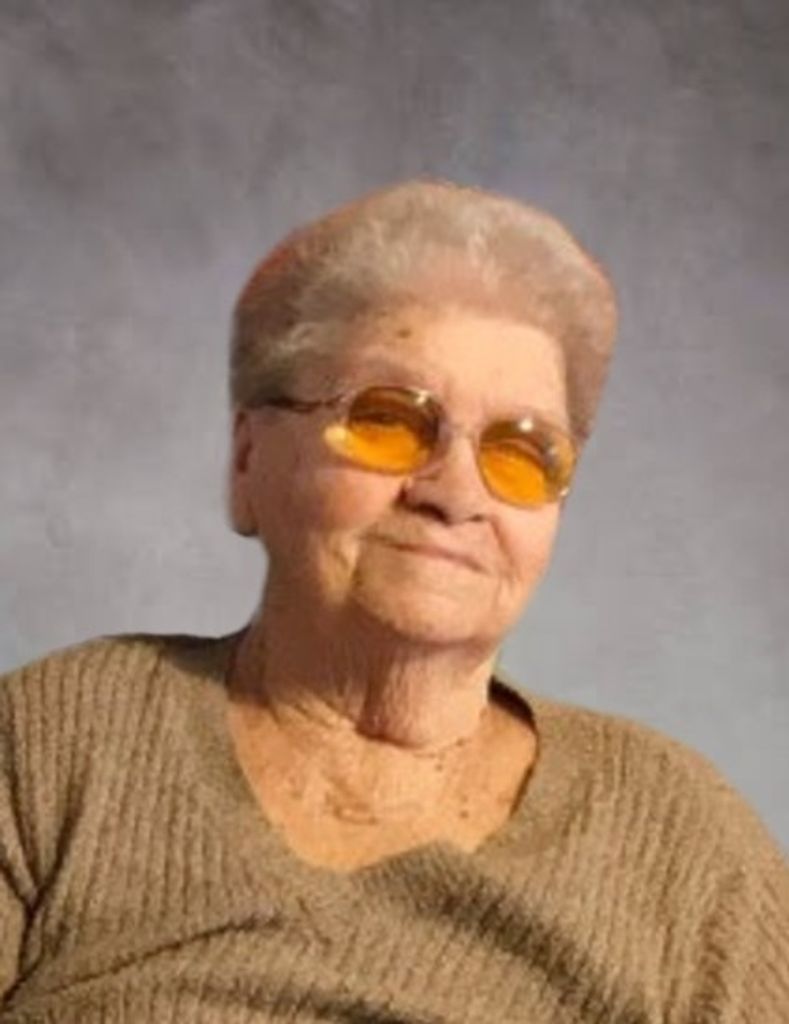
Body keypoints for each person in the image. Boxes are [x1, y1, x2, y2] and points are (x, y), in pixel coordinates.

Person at [1, 179, 787, 1023]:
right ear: (249, 462)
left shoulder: (685, 849)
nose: (455, 493)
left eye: (521, 451)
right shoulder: (58, 743)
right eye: (389, 420)